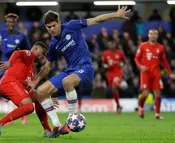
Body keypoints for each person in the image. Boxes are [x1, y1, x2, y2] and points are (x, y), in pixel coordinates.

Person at [28, 6, 131, 138]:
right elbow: (47, 66)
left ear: (59, 22)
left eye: (54, 25)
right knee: (41, 91)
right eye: (48, 27)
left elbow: (95, 20)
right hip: (70, 70)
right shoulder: (53, 44)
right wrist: (35, 81)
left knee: (67, 81)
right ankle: (56, 125)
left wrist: (115, 15)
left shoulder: (72, 26)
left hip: (85, 67)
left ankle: (70, 120)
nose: (52, 29)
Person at [0, 42, 52, 137]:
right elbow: (17, 53)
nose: (41, 56)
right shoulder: (29, 54)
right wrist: (10, 62)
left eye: (43, 56)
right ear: (34, 48)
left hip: (16, 85)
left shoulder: (32, 69)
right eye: (41, 53)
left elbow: (28, 85)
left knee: (39, 97)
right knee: (29, 107)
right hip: (10, 83)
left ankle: (47, 131)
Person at [0, 13, 31, 124]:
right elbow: (3, 49)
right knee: (6, 93)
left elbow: (28, 51)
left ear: (16, 23)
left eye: (13, 22)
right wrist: (16, 49)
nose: (11, 24)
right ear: (6, 22)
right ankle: (14, 113)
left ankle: (23, 113)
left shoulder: (22, 36)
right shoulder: (0, 33)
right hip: (4, 66)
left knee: (19, 90)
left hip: (17, 68)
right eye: (9, 22)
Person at [134, 29, 175, 119]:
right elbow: (136, 58)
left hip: (156, 74)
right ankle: (141, 107)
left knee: (158, 94)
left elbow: (164, 61)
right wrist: (140, 66)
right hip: (145, 73)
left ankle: (157, 114)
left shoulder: (160, 48)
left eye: (155, 34)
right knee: (145, 93)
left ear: (157, 36)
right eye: (151, 34)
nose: (153, 36)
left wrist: (170, 73)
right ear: (148, 35)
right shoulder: (143, 46)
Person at [102, 41, 127, 114]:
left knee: (114, 86)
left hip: (118, 72)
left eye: (113, 44)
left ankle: (123, 86)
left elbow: (125, 61)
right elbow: (103, 64)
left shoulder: (120, 53)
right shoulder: (105, 53)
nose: (112, 46)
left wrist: (121, 64)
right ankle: (118, 105)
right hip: (110, 73)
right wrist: (107, 66)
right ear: (109, 45)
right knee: (113, 90)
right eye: (111, 44)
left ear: (115, 45)